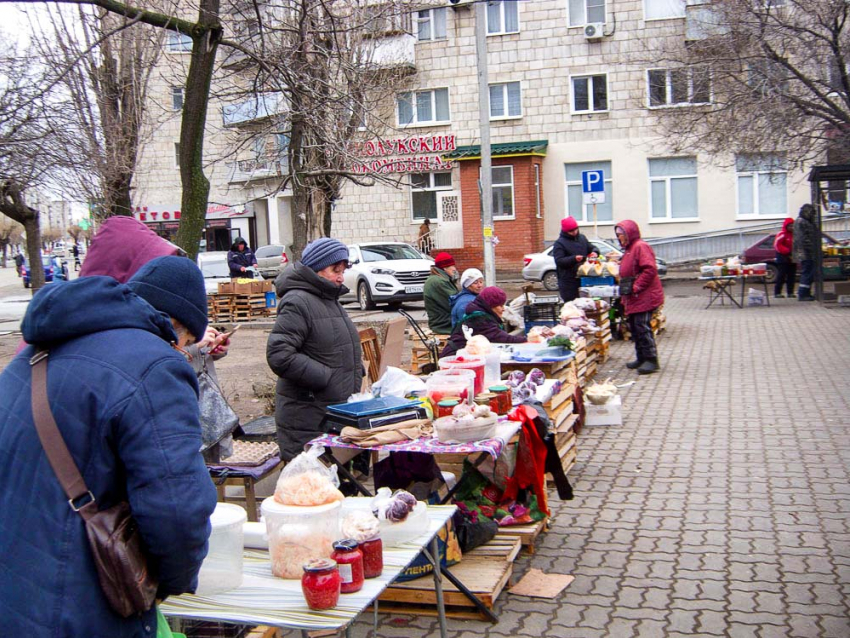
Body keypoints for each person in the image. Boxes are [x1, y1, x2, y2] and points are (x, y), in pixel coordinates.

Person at [0, 256, 217, 637]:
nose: (182, 353)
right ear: (177, 329)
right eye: (185, 346)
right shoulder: (156, 365)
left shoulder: (33, 352)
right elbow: (178, 511)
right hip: (81, 607)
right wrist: (168, 582)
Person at [266, 238, 364, 460]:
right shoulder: (298, 301)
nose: (341, 276)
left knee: (335, 487)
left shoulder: (328, 298)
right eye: (334, 270)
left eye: (343, 270)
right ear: (316, 269)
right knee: (310, 488)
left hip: (329, 412)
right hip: (306, 418)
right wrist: (326, 377)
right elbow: (280, 355)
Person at [616, 220, 664, 375]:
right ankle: (641, 357)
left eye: (621, 234)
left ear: (628, 233)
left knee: (642, 327)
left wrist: (636, 286)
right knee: (635, 327)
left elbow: (649, 269)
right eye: (617, 235)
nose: (619, 238)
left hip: (644, 295)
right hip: (634, 296)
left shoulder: (640, 247)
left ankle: (651, 359)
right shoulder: (629, 249)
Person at [442, 286, 526, 356]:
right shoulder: (479, 318)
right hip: (455, 356)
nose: (503, 309)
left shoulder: (480, 313)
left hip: (464, 355)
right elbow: (500, 337)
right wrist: (526, 340)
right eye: (500, 305)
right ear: (491, 306)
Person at [553, 216, 593, 302]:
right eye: (571, 231)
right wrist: (574, 259)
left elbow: (591, 248)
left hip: (583, 279)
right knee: (572, 307)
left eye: (576, 229)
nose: (574, 232)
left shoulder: (582, 238)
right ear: (566, 231)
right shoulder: (559, 243)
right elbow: (559, 261)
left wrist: (595, 252)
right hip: (568, 283)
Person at [423, 251, 459, 334]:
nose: (454, 269)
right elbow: (455, 302)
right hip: (444, 325)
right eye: (452, 266)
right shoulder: (440, 282)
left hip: (443, 321)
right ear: (444, 268)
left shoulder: (439, 279)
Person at [793, 204, 817, 301]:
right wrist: (812, 248)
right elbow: (803, 239)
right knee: (807, 272)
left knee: (809, 272)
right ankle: (803, 294)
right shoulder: (801, 222)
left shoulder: (803, 221)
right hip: (806, 252)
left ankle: (805, 292)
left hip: (806, 252)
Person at [773, 217, 796, 298]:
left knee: (791, 275)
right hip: (783, 258)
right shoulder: (782, 234)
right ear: (786, 226)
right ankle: (777, 292)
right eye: (790, 226)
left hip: (792, 257)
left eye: (793, 226)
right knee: (781, 275)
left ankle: (790, 292)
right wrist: (787, 251)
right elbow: (777, 245)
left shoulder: (794, 235)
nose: (791, 228)